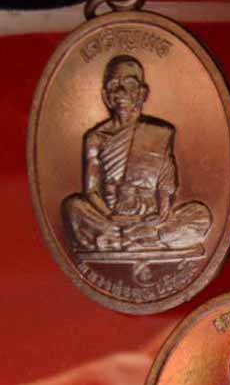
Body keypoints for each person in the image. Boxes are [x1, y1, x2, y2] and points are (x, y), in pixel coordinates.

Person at [62, 55, 211, 252]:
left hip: (149, 218)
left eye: (129, 84)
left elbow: (166, 182)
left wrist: (163, 211)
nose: (121, 91)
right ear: (105, 95)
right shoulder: (96, 138)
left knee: (200, 215)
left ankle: (120, 241)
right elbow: (91, 191)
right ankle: (143, 239)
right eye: (114, 85)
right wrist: (110, 216)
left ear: (142, 93)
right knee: (72, 207)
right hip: (110, 218)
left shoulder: (161, 132)